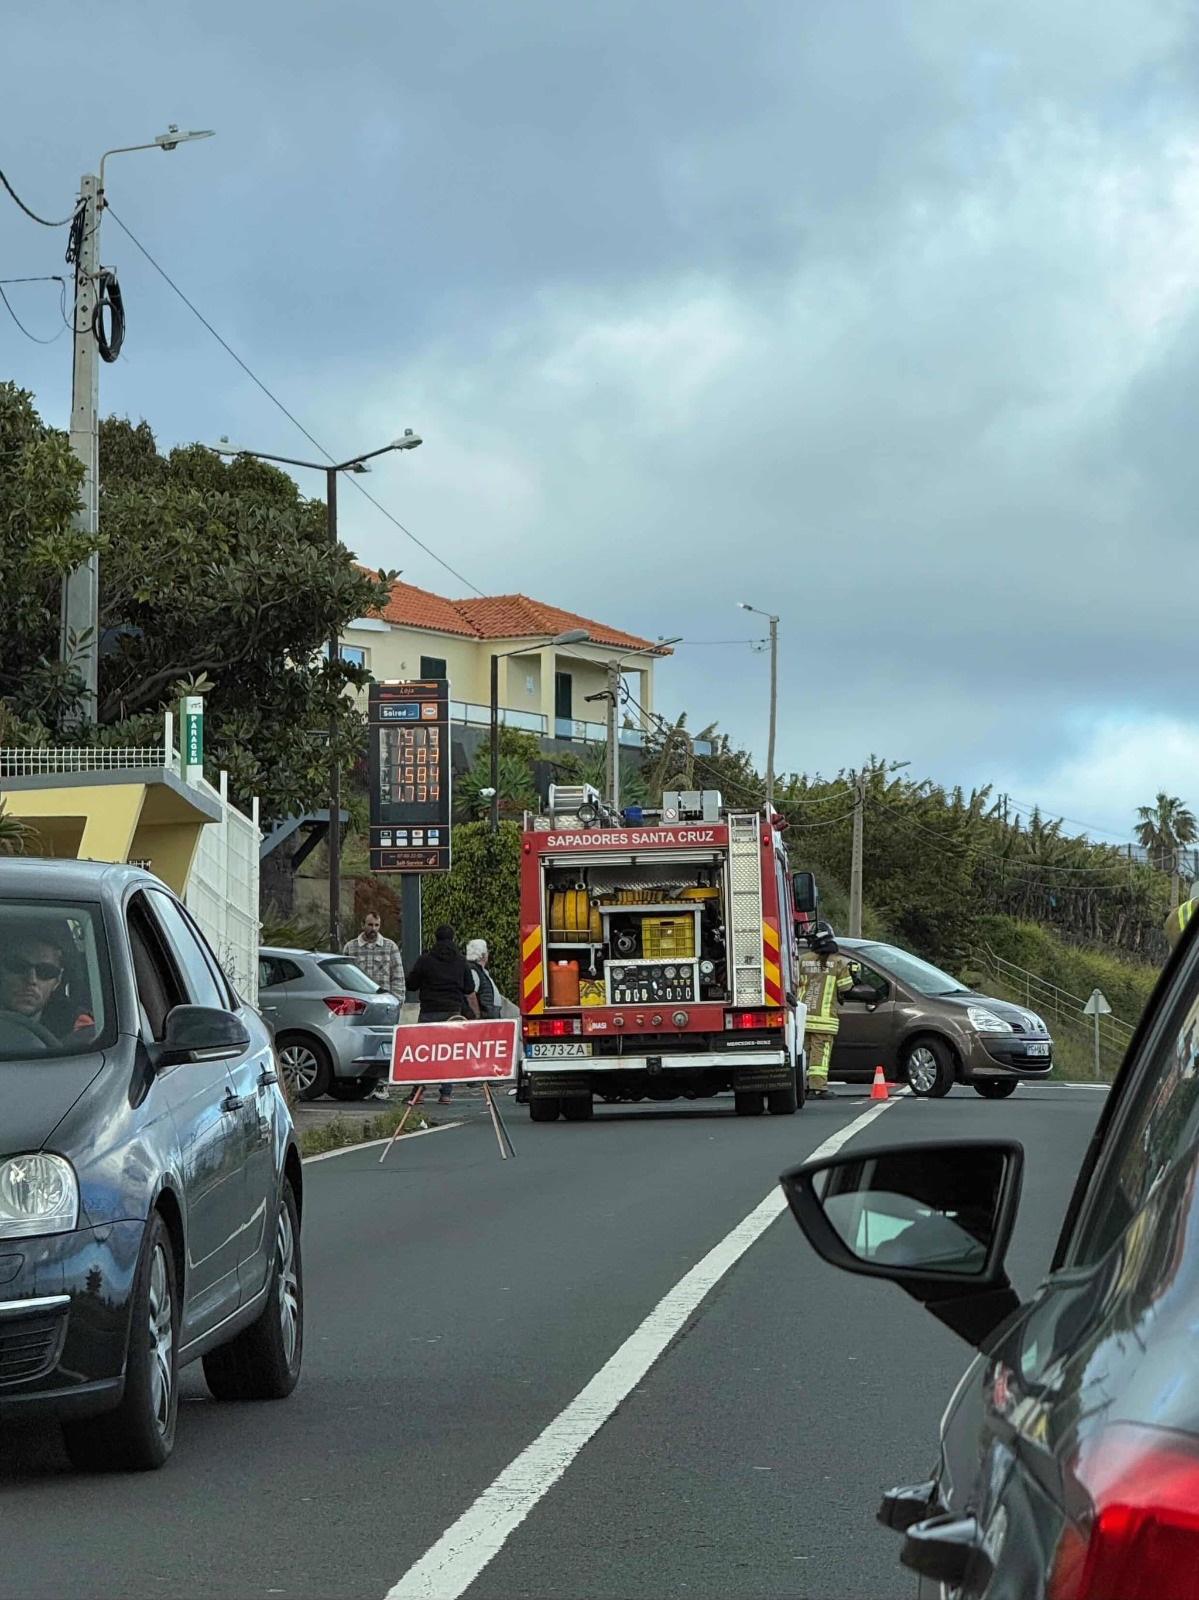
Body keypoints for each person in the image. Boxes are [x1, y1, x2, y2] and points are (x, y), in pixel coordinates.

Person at [405, 924, 479, 1104]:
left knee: (424, 1052)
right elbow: (469, 988)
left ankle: (419, 1092)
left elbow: (411, 985)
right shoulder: (461, 961)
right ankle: (446, 1093)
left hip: (429, 1011)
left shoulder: (425, 960)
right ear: (453, 939)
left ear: (435, 938)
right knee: (448, 1052)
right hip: (452, 1011)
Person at [342, 911, 405, 1100]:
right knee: (361, 1044)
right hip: (359, 1004)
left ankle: (383, 1085)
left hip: (383, 1003)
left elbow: (398, 975)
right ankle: (363, 1084)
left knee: (386, 1045)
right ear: (363, 925)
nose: (373, 929)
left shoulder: (389, 947)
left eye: (376, 925)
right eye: (370, 925)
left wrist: (397, 1001)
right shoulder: (351, 947)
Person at [798, 921, 860, 1099]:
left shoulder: (803, 960)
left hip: (804, 1017)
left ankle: (804, 1087)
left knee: (804, 1054)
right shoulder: (838, 962)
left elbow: (794, 985)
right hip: (824, 1019)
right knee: (820, 1057)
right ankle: (818, 1089)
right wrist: (855, 976)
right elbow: (846, 988)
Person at [0, 923, 93, 1041]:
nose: (31, 980)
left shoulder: (78, 1029)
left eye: (45, 972)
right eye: (18, 966)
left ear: (57, 981)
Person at [466, 938, 501, 1019]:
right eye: (487, 951)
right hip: (485, 1016)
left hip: (489, 1014)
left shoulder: (481, 970)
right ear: (483, 955)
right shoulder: (473, 971)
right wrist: (477, 1015)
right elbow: (471, 994)